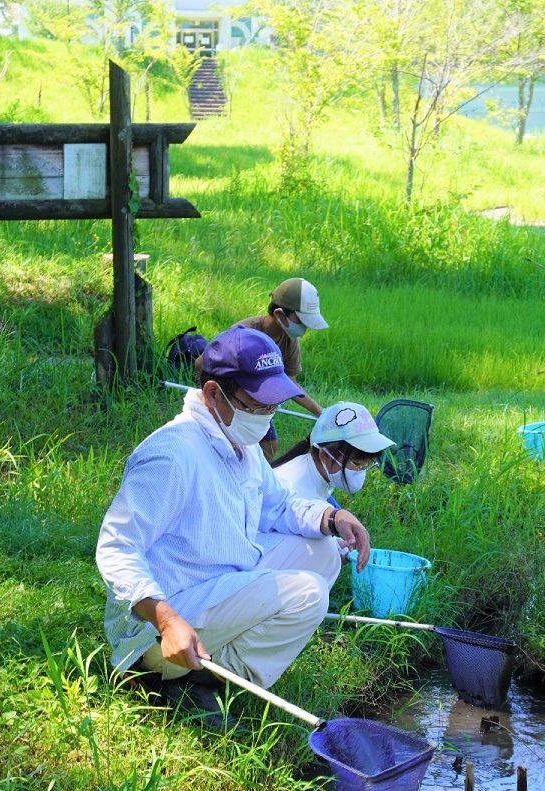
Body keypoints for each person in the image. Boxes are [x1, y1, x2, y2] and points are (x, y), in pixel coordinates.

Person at [95, 325, 372, 700]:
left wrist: (332, 518)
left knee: (322, 555)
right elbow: (117, 546)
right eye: (258, 406)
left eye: (273, 406)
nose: (267, 416)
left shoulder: (242, 442)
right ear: (213, 394)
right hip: (167, 617)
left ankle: (212, 671)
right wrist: (167, 619)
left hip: (221, 580)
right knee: (308, 594)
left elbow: (279, 505)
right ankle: (176, 677)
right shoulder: (172, 454)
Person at [238, 277, 330, 458]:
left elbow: (289, 383)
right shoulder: (244, 333)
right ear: (280, 314)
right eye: (301, 320)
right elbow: (202, 363)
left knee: (269, 447)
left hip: (261, 404)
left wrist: (321, 412)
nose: (304, 327)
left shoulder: (289, 339)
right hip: (235, 399)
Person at [273, 401, 396, 504]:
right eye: (357, 464)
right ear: (325, 455)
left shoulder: (318, 475)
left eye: (366, 465)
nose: (362, 471)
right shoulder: (296, 496)